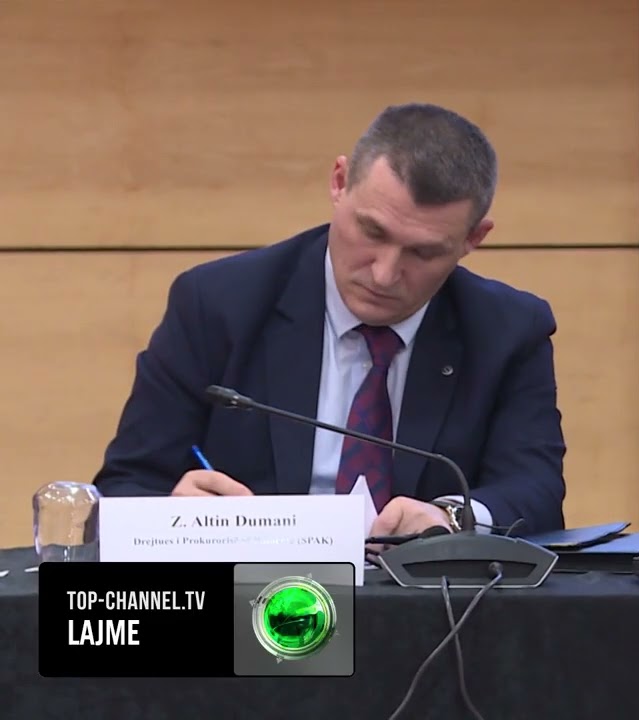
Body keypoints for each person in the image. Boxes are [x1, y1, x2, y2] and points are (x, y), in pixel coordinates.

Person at [94, 103, 567, 538]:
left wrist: (451, 516)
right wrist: (172, 512)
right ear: (339, 183)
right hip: (250, 588)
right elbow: (127, 483)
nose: (384, 274)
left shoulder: (507, 330)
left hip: (426, 596)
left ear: (473, 238)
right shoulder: (218, 304)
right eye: (372, 231)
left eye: (423, 252)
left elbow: (536, 491)